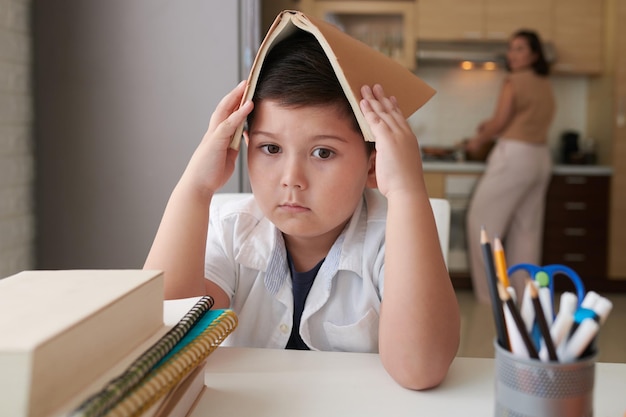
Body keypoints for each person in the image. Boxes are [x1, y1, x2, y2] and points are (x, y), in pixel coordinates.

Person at [144, 29, 459, 390]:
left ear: (374, 164)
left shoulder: (391, 238)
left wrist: (406, 191)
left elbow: (419, 369)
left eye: (323, 152)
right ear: (244, 146)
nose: (291, 180)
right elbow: (161, 343)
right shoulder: (229, 229)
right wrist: (195, 189)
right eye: (271, 149)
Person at [465, 29, 556, 303]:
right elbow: (520, 120)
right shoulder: (545, 84)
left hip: (514, 158)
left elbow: (500, 122)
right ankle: (526, 296)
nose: (512, 54)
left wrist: (477, 140)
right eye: (511, 48)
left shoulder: (513, 80)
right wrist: (491, 128)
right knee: (526, 231)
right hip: (540, 158)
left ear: (534, 54)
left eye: (520, 49)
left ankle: (491, 297)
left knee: (481, 225)